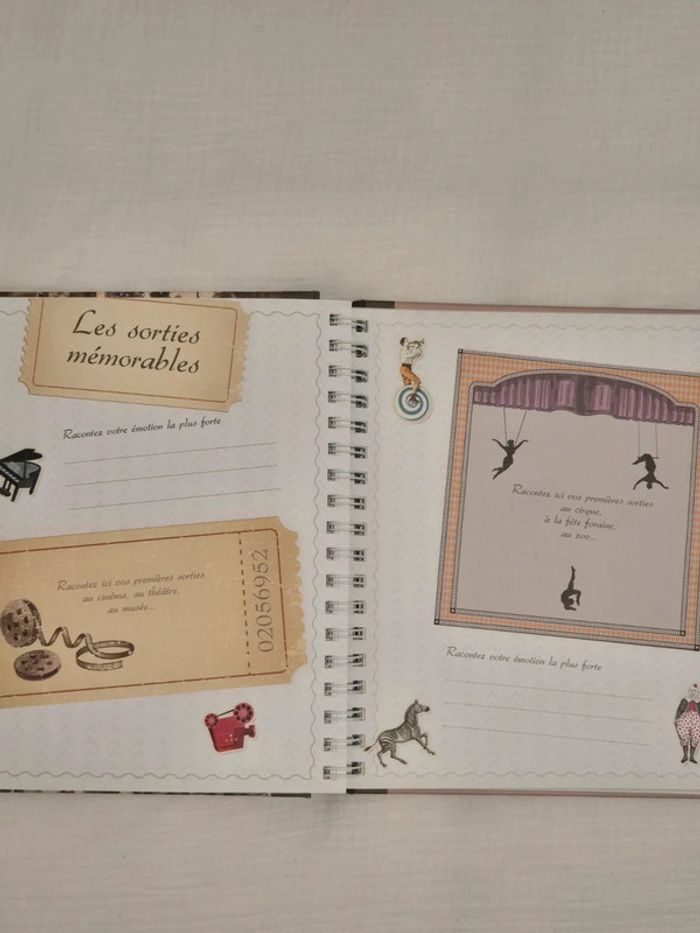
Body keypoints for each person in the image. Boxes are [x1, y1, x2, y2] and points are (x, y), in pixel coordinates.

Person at [675, 683, 700, 764]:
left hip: (696, 721)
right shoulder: (684, 700)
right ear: (689, 691)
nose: (693, 693)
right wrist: (677, 718)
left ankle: (692, 757)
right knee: (684, 736)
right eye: (692, 691)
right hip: (685, 719)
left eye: (695, 691)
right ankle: (685, 756)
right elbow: (679, 710)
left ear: (697, 692)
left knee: (695, 737)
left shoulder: (699, 701)